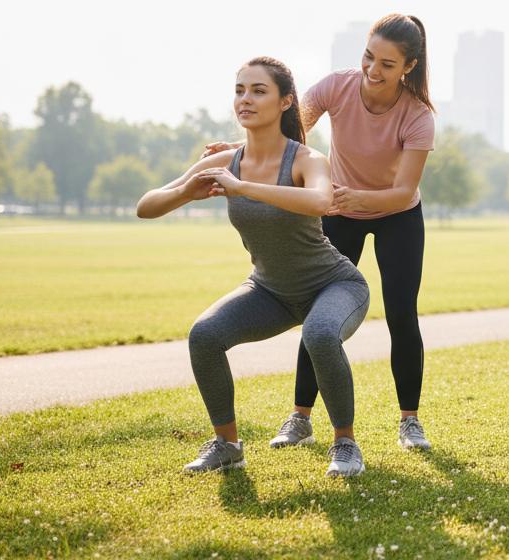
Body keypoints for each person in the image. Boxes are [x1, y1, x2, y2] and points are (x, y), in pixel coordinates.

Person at [205, 14, 436, 451]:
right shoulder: (336, 86)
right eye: (369, 57)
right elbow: (286, 130)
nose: (373, 70)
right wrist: (237, 149)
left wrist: (353, 198)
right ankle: (300, 417)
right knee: (316, 311)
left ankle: (410, 420)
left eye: (387, 64)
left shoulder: (418, 115)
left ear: (408, 66)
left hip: (396, 214)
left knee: (401, 313)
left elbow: (403, 190)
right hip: (337, 206)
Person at [138, 57, 371, 476]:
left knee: (319, 335)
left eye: (258, 91)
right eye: (240, 90)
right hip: (270, 292)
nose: (245, 99)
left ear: (285, 102)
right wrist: (186, 193)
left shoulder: (306, 159)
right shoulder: (224, 161)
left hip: (334, 286)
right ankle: (227, 445)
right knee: (204, 335)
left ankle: (346, 444)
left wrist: (243, 187)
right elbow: (146, 206)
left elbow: (321, 201)